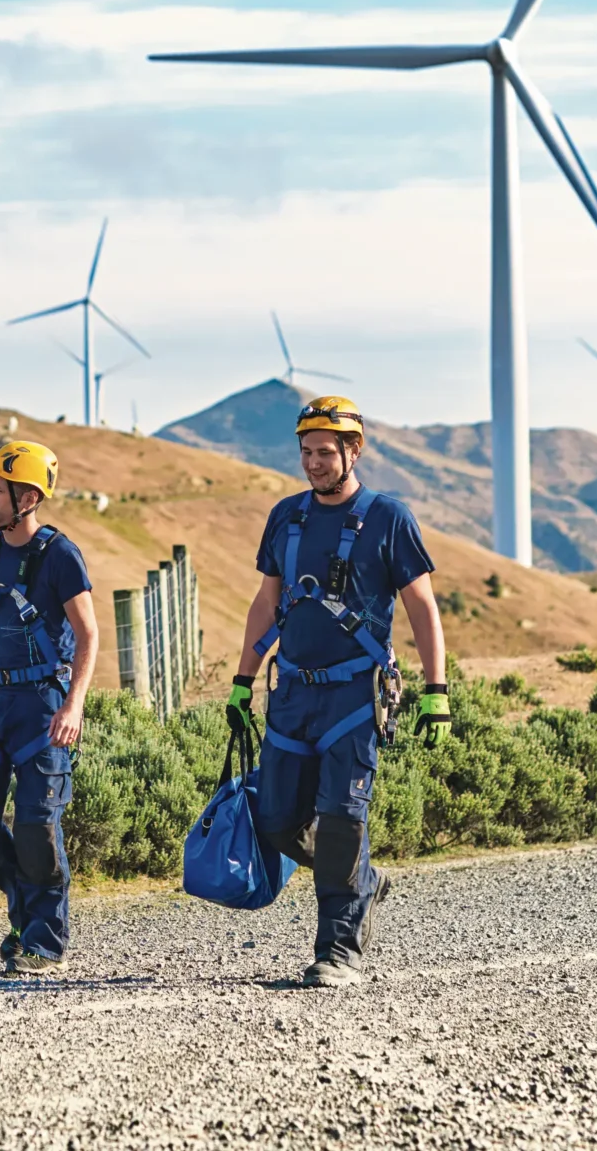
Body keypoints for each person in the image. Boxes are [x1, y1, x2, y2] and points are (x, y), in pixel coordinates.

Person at [229, 394, 450, 988]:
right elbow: (266, 602)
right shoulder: (285, 516)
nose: (314, 463)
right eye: (306, 452)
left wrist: (437, 690)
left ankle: (339, 950)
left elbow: (422, 607)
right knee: (275, 821)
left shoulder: (389, 518)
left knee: (343, 819)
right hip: (292, 695)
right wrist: (242, 680)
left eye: (325, 452)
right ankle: (362, 881)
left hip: (354, 698)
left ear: (355, 450)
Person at [0, 438, 98, 975]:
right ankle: (24, 904)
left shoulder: (60, 556)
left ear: (28, 497)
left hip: (43, 708)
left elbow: (89, 634)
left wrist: (74, 704)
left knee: (36, 826)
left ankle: (45, 941)